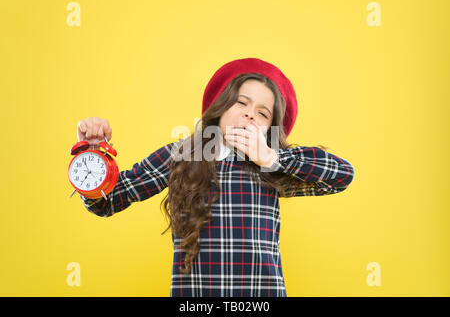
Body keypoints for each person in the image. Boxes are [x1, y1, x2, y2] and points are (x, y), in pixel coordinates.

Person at [77, 57, 355, 297]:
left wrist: (271, 158)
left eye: (262, 113)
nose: (249, 113)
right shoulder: (181, 155)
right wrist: (94, 153)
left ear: (270, 129)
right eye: (241, 102)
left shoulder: (272, 167)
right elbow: (106, 202)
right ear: (220, 108)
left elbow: (341, 176)